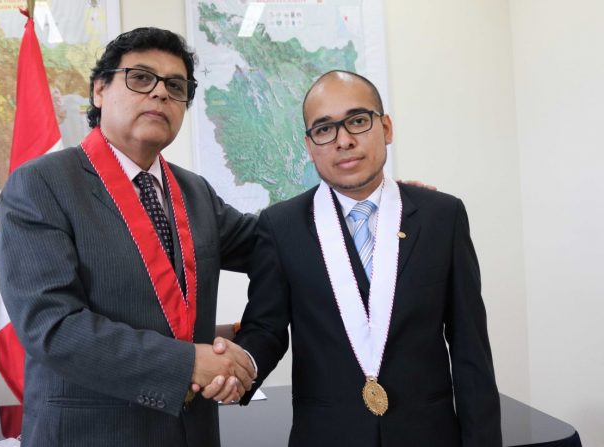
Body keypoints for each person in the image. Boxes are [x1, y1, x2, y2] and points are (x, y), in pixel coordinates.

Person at [205, 70, 502, 446]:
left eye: (358, 121)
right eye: (324, 129)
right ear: (309, 146)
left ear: (386, 128)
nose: (343, 140)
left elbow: (471, 348)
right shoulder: (281, 227)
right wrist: (241, 368)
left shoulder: (441, 217)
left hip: (428, 435)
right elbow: (266, 329)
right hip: (326, 436)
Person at [0, 27, 256, 447]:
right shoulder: (42, 184)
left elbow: (270, 242)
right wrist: (186, 363)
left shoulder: (194, 191)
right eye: (140, 78)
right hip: (91, 434)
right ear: (100, 90)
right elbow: (52, 326)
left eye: (176, 86)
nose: (160, 92)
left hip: (193, 431)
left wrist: (362, 203)